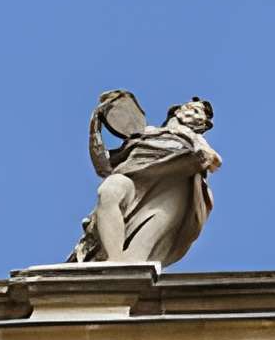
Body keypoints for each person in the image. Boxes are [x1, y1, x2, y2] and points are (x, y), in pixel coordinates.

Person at [72, 92, 221, 266]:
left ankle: (122, 269)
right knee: (109, 190)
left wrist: (203, 156)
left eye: (198, 113)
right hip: (134, 180)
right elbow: (103, 166)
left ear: (202, 125)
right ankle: (114, 260)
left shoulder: (194, 140)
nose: (191, 111)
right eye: (191, 107)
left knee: (138, 254)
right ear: (178, 111)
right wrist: (95, 131)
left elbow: (213, 160)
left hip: (169, 189)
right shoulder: (146, 133)